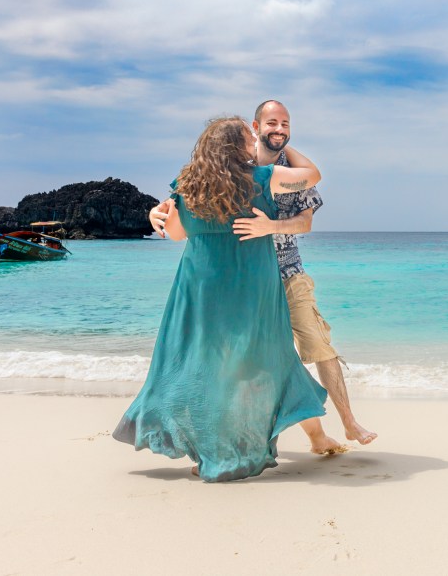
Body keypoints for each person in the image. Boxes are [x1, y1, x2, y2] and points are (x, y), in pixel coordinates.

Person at [151, 100, 376, 454]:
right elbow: (180, 204)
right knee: (269, 361)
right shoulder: (233, 170)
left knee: (314, 347)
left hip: (284, 273)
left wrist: (271, 225)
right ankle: (297, 437)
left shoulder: (282, 170)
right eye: (272, 123)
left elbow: (306, 221)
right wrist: (158, 209)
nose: (280, 129)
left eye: (285, 124)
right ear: (254, 129)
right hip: (247, 282)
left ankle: (345, 422)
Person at [114, 116, 327, 482]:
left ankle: (211, 448)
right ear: (238, 146)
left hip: (199, 286)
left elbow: (177, 235)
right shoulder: (265, 178)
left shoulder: (187, 185)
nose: (254, 142)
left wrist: (160, 213)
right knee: (259, 361)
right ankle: (236, 448)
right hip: (250, 282)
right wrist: (281, 142)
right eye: (250, 137)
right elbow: (313, 174)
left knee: (201, 365)